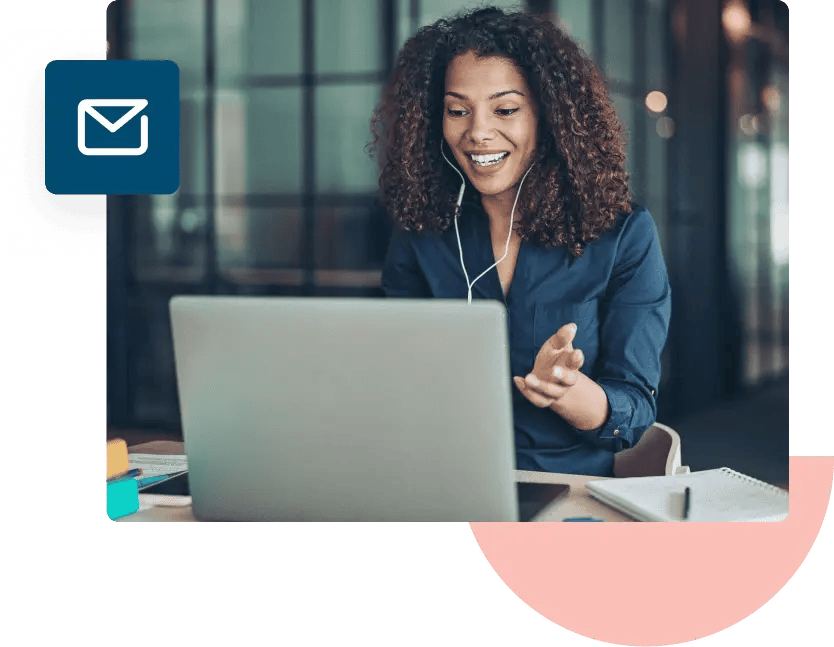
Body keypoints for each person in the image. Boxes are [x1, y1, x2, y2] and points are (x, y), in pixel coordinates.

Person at [372, 7, 671, 476]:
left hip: (564, 487)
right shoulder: (421, 232)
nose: (477, 132)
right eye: (457, 110)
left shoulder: (623, 236)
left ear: (549, 117)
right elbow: (390, 378)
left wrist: (568, 392)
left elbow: (633, 410)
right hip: (439, 478)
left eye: (506, 109)